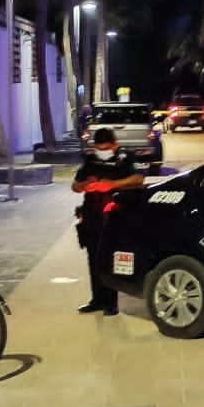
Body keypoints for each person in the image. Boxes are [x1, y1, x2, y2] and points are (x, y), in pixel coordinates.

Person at [72, 127, 145, 315]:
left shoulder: (125, 159)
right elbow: (75, 185)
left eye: (105, 148)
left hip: (116, 217)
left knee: (111, 260)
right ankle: (97, 300)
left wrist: (111, 184)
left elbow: (138, 179)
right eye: (98, 148)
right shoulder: (90, 160)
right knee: (93, 259)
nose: (101, 152)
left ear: (115, 145)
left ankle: (112, 302)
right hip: (91, 216)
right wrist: (84, 185)